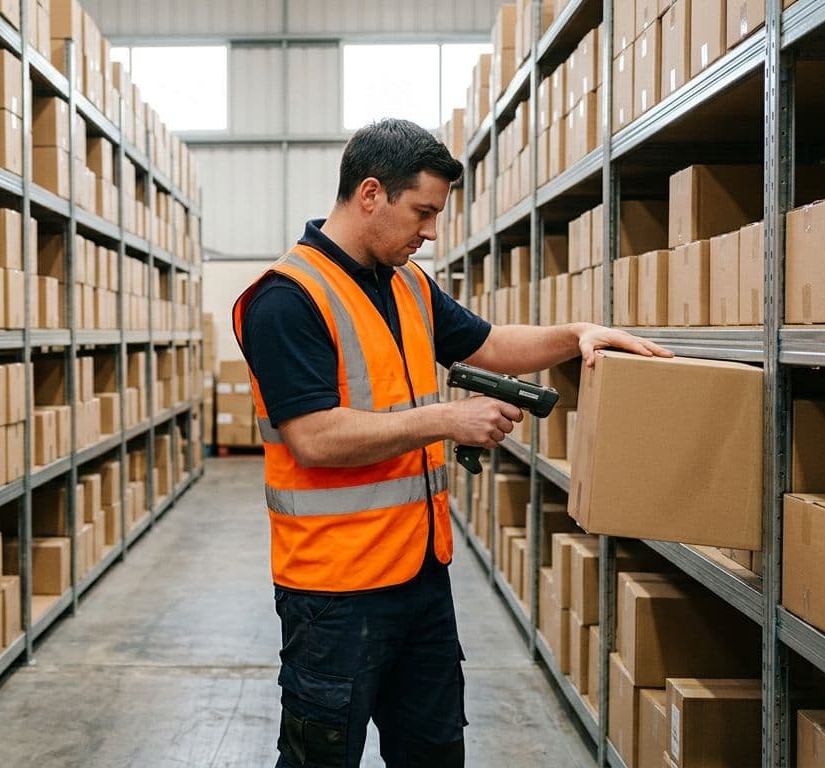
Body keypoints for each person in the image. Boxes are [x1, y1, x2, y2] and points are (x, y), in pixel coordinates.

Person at [232, 118, 671, 768]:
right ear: (372, 194)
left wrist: (578, 333)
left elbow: (489, 345)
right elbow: (314, 438)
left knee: (435, 751)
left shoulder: (406, 284)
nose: (432, 231)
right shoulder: (287, 299)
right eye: (424, 212)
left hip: (420, 576)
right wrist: (447, 419)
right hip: (335, 594)